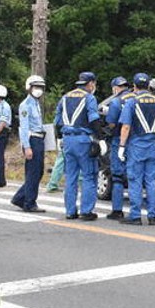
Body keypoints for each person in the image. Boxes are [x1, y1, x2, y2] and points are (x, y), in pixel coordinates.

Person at [117, 73, 155, 226]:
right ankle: (153, 216)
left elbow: (126, 126)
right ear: (149, 86)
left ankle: (135, 216)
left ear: (134, 86)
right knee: (151, 181)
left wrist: (121, 146)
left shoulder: (132, 102)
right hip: (152, 145)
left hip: (136, 146)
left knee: (135, 181)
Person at [53, 72, 105, 220]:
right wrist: (100, 139)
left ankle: (70, 211)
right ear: (90, 84)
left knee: (70, 177)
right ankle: (86, 211)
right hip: (83, 140)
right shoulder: (89, 98)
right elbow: (94, 119)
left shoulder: (65, 97)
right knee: (89, 175)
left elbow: (57, 121)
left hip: (67, 141)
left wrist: (59, 138)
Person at [11, 75, 47, 213]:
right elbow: (24, 128)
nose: (38, 90)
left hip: (39, 139)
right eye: (35, 87)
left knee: (38, 172)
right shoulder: (25, 105)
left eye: (40, 87)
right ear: (29, 88)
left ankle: (20, 197)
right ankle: (29, 203)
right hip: (32, 140)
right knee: (33, 172)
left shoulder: (36, 103)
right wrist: (27, 147)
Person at [103, 76, 134, 220]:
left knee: (117, 177)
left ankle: (117, 210)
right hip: (138, 141)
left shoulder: (116, 102)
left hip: (119, 140)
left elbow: (111, 124)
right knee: (136, 176)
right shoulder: (137, 98)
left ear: (115, 88)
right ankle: (136, 212)